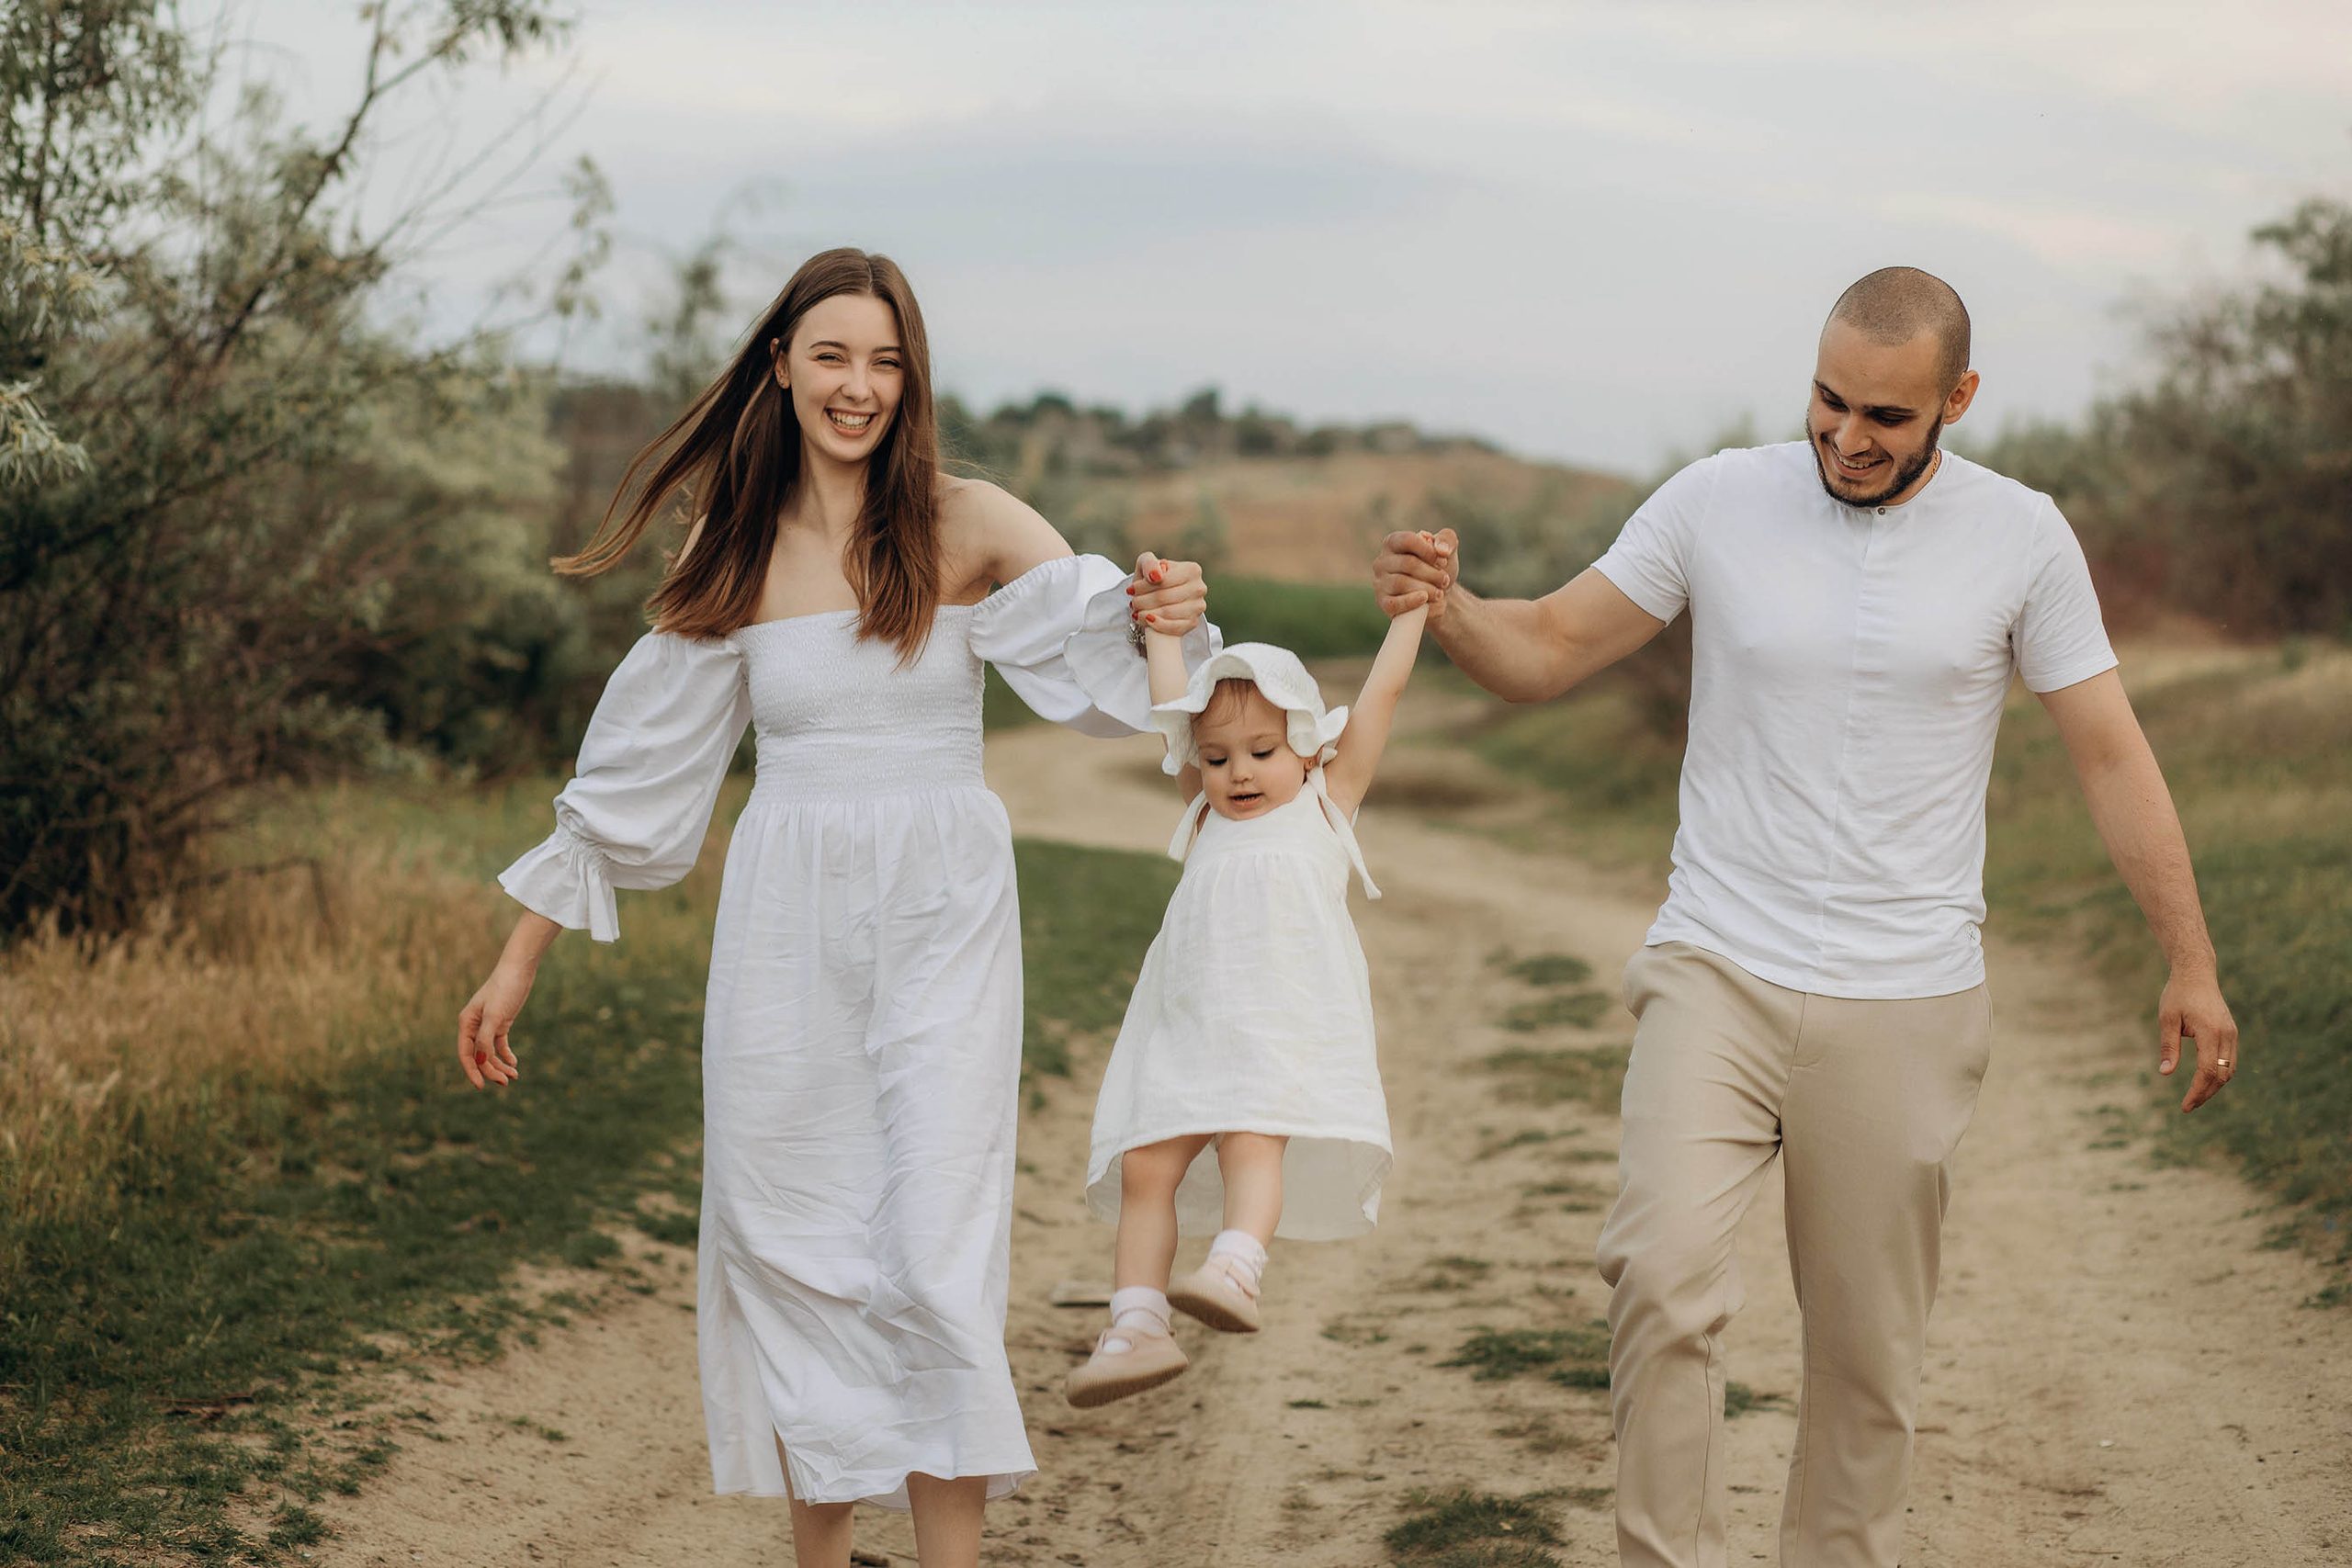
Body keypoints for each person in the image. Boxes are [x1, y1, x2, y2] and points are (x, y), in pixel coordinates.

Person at [1372, 267, 2241, 1568]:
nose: (1846, 435)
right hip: (1716, 960)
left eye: (1886, 415)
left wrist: (2193, 958)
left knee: (1865, 1355)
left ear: (1958, 399)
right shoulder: (1719, 498)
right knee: (1660, 1279)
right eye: (1829, 399)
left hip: (1909, 991)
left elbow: (2111, 754)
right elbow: (1547, 645)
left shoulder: (2022, 536)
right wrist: (1451, 609)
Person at [453, 247, 1216, 1568]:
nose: (859, 385)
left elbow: (1125, 673)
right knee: (794, 1235)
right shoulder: (735, 547)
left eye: (885, 359)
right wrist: (520, 954)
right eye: (833, 355)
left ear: (910, 375)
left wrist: (1174, 621)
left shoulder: (965, 520)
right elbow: (634, 779)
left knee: (931, 1244)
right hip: (785, 925)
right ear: (782, 366)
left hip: (943, 911)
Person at [1063, 596, 1430, 1408]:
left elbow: (1381, 699)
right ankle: (1135, 1326)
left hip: (1275, 1023)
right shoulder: (1206, 814)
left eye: (1262, 750)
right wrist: (1162, 634)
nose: (1237, 773)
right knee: (1145, 1163)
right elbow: (1173, 710)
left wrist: (1413, 615)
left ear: (1305, 745)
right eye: (1218, 757)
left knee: (1250, 1141)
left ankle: (1236, 1267)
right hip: (1191, 1024)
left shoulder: (1326, 805)